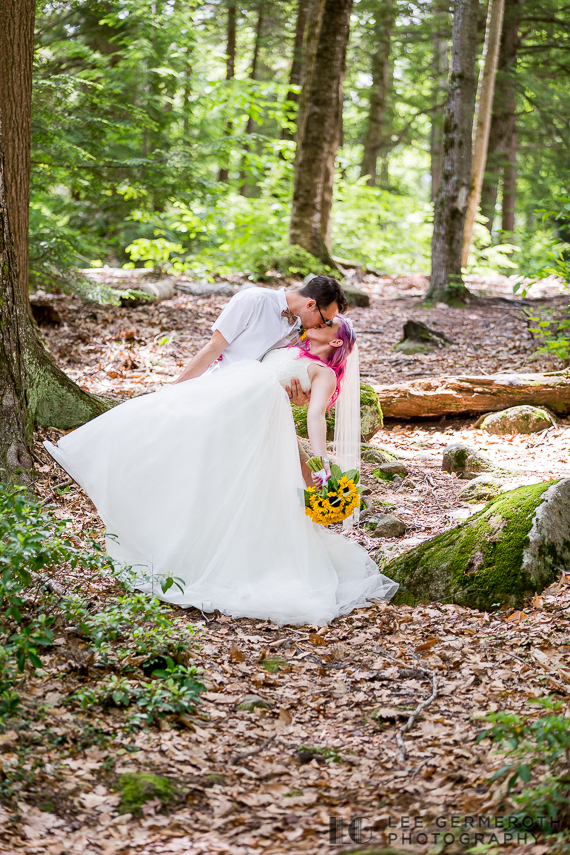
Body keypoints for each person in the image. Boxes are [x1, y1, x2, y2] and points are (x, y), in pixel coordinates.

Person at [44, 317, 398, 626]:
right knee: (164, 431)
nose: (318, 323)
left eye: (327, 324)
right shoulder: (294, 345)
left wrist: (321, 462)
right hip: (227, 397)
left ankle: (201, 555)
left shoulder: (323, 373)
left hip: (248, 417)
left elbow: (316, 415)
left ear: (336, 340)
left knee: (226, 485)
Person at [175, 274, 348, 487]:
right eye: (325, 319)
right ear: (310, 304)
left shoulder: (300, 332)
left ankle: (317, 507)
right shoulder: (253, 300)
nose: (323, 325)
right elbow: (214, 347)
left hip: (263, 406)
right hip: (223, 392)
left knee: (300, 470)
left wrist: (300, 397)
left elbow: (287, 374)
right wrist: (177, 389)